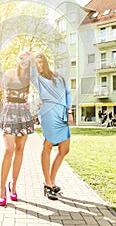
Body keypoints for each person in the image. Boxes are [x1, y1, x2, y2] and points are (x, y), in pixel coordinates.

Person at [30, 52, 73, 200]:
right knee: (48, 146)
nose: (39, 66)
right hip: (48, 113)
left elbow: (68, 93)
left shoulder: (59, 76)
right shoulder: (37, 78)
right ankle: (48, 184)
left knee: (64, 149)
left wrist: (69, 111)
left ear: (46, 62)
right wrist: (28, 58)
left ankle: (51, 181)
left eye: (41, 62)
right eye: (36, 64)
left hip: (62, 112)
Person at [0, 51, 34, 206]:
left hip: (24, 111)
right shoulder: (11, 72)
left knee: (20, 149)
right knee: (9, 149)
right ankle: (1, 189)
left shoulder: (29, 77)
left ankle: (14, 185)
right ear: (17, 59)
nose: (23, 60)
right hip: (10, 110)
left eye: (26, 58)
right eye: (21, 57)